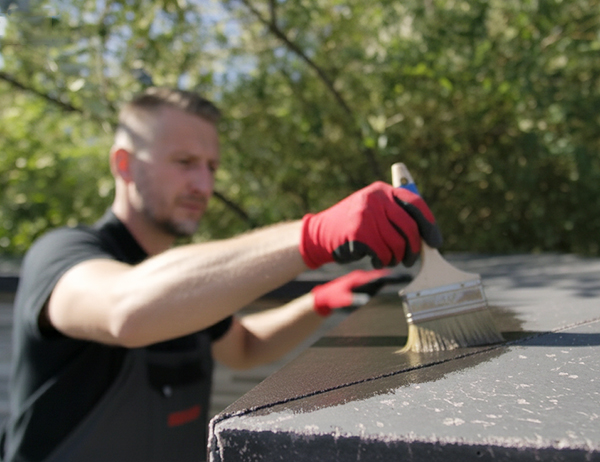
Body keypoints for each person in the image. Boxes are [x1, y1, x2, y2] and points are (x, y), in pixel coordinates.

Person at [1, 88, 442, 462]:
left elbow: (244, 347)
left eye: (211, 167)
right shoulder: (62, 254)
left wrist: (319, 302)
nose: (204, 184)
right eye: (184, 161)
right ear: (124, 164)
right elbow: (125, 308)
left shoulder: (189, 285)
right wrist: (313, 235)